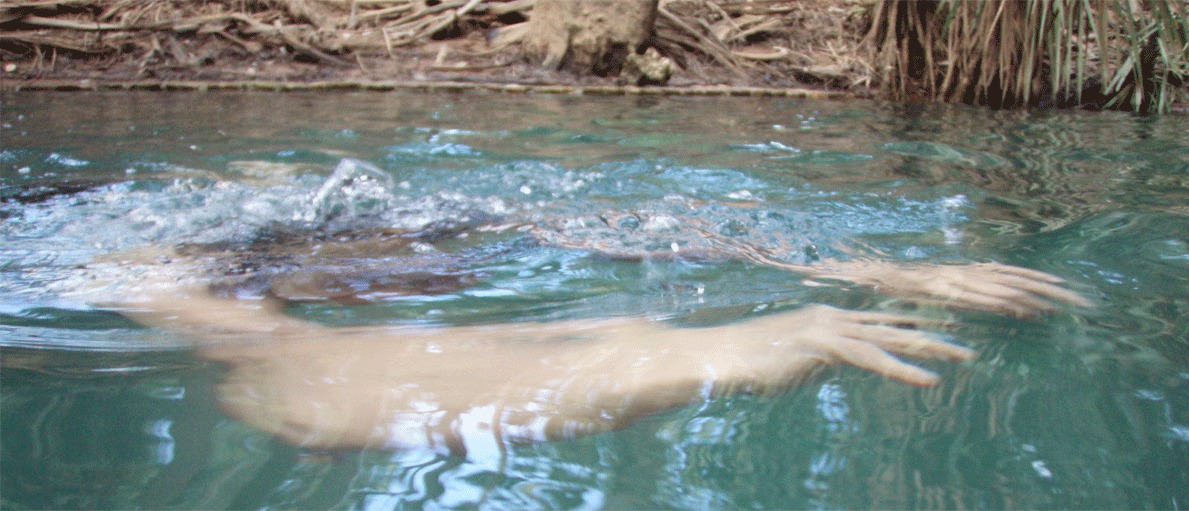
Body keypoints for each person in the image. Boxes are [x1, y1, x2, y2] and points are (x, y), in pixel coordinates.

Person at [76, 160, 1090, 457]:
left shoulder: (335, 215)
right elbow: (318, 391)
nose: (447, 274)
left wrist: (889, 271)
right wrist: (704, 352)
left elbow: (634, 222)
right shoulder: (140, 265)